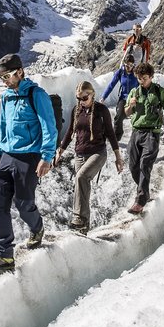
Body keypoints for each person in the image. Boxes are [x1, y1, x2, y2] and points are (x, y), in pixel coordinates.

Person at [0, 53, 57, 273]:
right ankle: (4, 255)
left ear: (20, 72)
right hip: (7, 156)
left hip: (30, 156)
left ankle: (37, 227)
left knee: (24, 204)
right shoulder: (6, 97)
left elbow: (49, 127)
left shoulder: (37, 95)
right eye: (1, 77)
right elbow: (3, 126)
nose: (4, 80)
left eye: (7, 76)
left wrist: (47, 157)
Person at [55, 81, 125, 234]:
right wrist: (60, 150)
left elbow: (111, 134)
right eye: (78, 98)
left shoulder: (101, 111)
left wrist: (118, 157)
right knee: (83, 187)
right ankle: (83, 227)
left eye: (84, 98)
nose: (81, 101)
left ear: (92, 94)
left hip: (97, 153)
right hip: (80, 153)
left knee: (81, 177)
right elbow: (69, 132)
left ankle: (78, 217)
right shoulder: (76, 110)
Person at [123, 62, 164, 214]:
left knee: (145, 164)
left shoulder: (160, 92)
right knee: (133, 166)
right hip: (136, 132)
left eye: (144, 78)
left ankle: (140, 201)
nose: (142, 81)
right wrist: (131, 106)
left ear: (151, 77)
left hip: (152, 133)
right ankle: (144, 192)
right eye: (139, 78)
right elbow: (126, 114)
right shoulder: (134, 93)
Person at [100, 55, 140, 142]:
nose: (128, 67)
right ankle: (116, 138)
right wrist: (103, 97)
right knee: (118, 117)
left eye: (130, 66)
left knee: (139, 118)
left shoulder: (137, 73)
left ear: (133, 65)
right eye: (126, 65)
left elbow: (142, 85)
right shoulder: (120, 72)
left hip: (135, 98)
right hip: (124, 97)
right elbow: (111, 85)